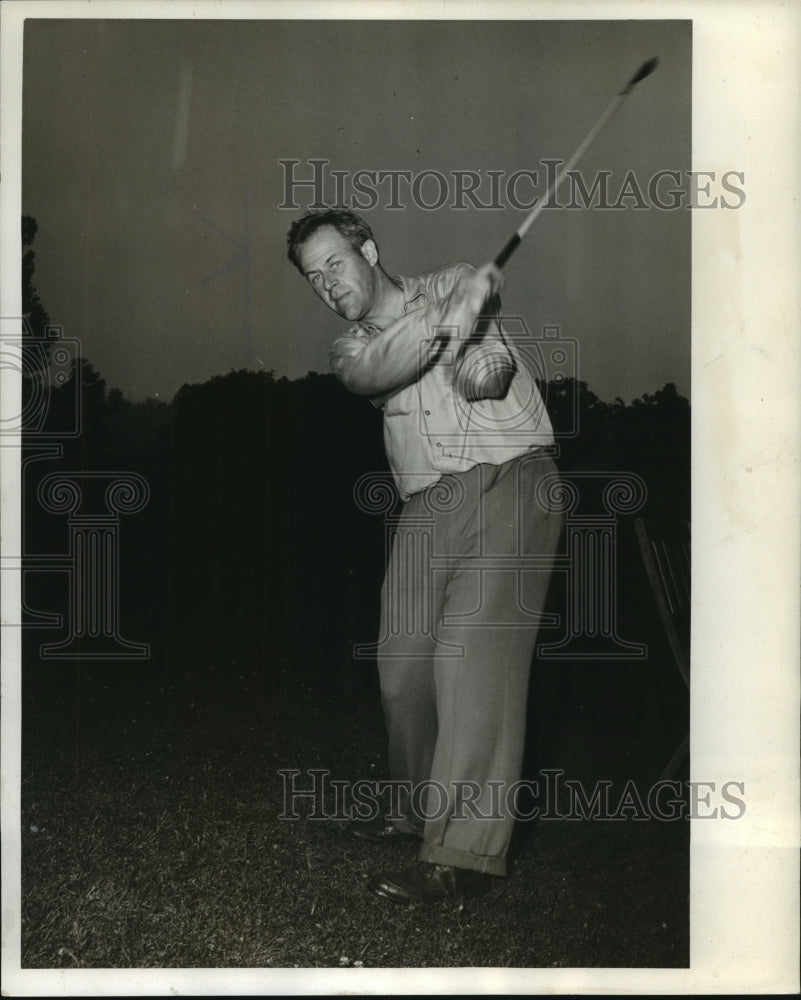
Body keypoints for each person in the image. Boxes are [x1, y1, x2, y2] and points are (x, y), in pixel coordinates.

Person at [286, 207, 562, 903]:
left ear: (369, 250)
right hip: (427, 505)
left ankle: (461, 856)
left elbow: (489, 373)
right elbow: (377, 370)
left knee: (470, 658)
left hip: (510, 478)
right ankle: (412, 816)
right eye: (313, 277)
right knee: (401, 669)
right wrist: (445, 320)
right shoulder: (350, 350)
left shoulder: (453, 280)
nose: (326, 284)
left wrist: (472, 338)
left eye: (335, 264)